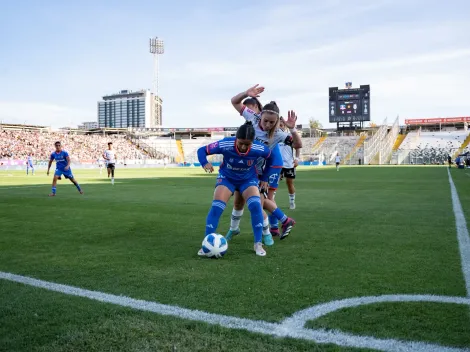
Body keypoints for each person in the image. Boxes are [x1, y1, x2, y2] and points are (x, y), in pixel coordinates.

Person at [197, 122, 295, 257]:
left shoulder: (258, 148)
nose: (243, 147)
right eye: (241, 143)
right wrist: (205, 162)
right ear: (236, 139)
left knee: (255, 205)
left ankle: (257, 244)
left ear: (252, 142)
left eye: (247, 144)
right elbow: (202, 150)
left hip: (248, 180)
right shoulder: (226, 144)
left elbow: (272, 157)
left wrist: (265, 178)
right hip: (227, 178)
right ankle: (206, 244)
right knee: (217, 207)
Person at [227, 84, 302, 238]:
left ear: (276, 122)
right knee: (254, 200)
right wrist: (245, 93)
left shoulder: (279, 134)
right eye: (266, 121)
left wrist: (292, 129)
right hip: (247, 169)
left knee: (256, 202)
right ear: (260, 115)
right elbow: (234, 102)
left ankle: (265, 236)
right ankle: (282, 221)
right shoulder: (252, 118)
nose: (267, 125)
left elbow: (297, 145)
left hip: (261, 172)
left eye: (271, 123)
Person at [279, 120, 301, 210]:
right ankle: (271, 201)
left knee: (289, 183)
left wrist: (297, 159)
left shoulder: (289, 136)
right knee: (273, 184)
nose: (280, 126)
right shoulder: (273, 136)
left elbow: (298, 147)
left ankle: (292, 202)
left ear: (285, 126)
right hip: (277, 164)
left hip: (289, 164)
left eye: (282, 125)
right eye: (278, 125)